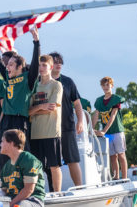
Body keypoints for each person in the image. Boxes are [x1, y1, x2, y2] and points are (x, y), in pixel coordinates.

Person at [0, 27, 40, 171]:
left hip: (20, 121)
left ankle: (26, 184)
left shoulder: (28, 80)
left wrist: (36, 42)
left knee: (21, 156)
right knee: (3, 157)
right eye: (8, 65)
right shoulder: (8, 78)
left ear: (20, 67)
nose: (7, 67)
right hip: (6, 121)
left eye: (11, 64)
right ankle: (6, 186)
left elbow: (35, 63)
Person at [29, 55, 63, 192]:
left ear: (51, 67)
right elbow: (28, 111)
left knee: (54, 166)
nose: (41, 68)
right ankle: (39, 194)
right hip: (35, 133)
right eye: (39, 65)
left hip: (51, 132)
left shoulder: (56, 85)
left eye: (44, 65)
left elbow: (52, 108)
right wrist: (41, 107)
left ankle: (58, 195)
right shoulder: (33, 86)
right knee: (36, 167)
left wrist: (36, 109)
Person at [50, 52, 83, 186]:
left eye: (60, 62)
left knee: (72, 160)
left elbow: (77, 103)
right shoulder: (41, 82)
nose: (58, 64)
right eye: (55, 61)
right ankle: (54, 193)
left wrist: (80, 121)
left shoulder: (68, 81)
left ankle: (80, 189)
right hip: (48, 129)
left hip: (67, 127)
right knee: (52, 163)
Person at [92, 76, 127, 180]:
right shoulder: (99, 101)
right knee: (112, 156)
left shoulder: (116, 99)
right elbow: (95, 116)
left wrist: (103, 131)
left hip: (117, 131)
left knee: (121, 155)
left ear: (112, 85)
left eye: (107, 85)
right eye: (103, 85)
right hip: (107, 134)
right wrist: (91, 129)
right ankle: (116, 177)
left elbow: (113, 116)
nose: (105, 87)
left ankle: (124, 178)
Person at [0, 129, 45, 207]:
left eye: (2, 141)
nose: (0, 144)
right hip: (14, 201)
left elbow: (29, 190)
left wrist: (10, 205)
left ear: (11, 143)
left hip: (32, 200)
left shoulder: (29, 160)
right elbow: (4, 190)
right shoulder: (6, 166)